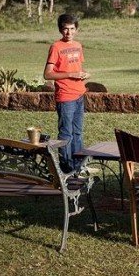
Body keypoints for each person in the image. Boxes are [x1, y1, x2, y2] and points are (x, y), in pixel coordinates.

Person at [44, 13, 90, 173]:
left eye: (72, 29)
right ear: (60, 30)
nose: (68, 32)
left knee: (77, 132)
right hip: (65, 96)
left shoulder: (78, 46)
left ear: (76, 29)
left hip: (79, 94)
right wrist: (70, 75)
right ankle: (66, 168)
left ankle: (78, 166)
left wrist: (84, 73)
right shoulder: (56, 47)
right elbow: (48, 74)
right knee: (66, 133)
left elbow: (77, 68)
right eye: (65, 29)